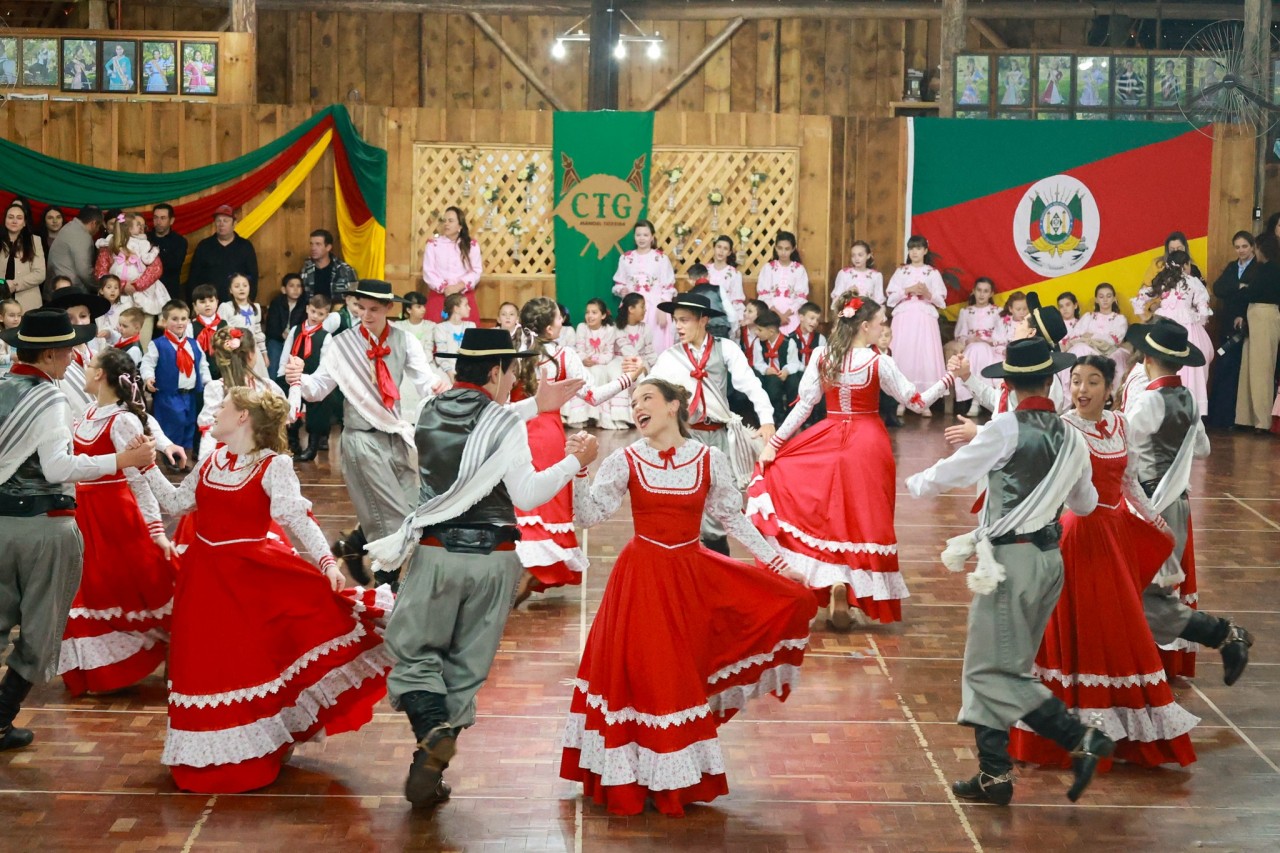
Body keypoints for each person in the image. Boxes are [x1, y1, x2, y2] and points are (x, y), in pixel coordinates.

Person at [362, 327, 594, 809]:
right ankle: (430, 757)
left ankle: (431, 733)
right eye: (512, 371)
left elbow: (483, 422)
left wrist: (538, 404)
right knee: (465, 669)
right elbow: (527, 492)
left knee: (416, 653)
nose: (515, 381)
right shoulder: (504, 422)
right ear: (494, 371)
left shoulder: (427, 413)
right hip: (495, 561)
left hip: (436, 553)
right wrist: (575, 461)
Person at [560, 378, 815, 817]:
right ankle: (632, 778)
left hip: (688, 581)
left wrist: (777, 566)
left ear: (675, 405)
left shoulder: (708, 458)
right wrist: (579, 469)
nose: (636, 406)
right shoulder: (624, 459)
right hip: (639, 581)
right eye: (633, 401)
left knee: (678, 678)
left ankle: (671, 781)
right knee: (643, 675)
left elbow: (734, 521)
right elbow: (587, 516)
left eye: (647, 399)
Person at [143, 387, 392, 793]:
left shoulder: (273, 465)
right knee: (201, 664)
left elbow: (296, 517)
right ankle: (201, 757)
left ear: (243, 417)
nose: (217, 412)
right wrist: (143, 467)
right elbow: (174, 503)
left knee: (246, 664)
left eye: (224, 406)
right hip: (201, 582)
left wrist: (327, 562)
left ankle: (253, 751)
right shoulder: (210, 462)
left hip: (250, 581)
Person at [906, 338, 1111, 806]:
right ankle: (994, 775)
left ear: (1010, 384)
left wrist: (915, 482)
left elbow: (955, 472)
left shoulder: (1005, 428)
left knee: (986, 671)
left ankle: (1080, 738)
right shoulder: (1073, 435)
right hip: (1048, 560)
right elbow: (1086, 503)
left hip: (1009, 565)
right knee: (1007, 666)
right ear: (1049, 379)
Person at [1008, 355, 1198, 770]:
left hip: (1114, 537)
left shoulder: (1121, 426)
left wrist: (1153, 518)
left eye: (1092, 381)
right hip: (1075, 537)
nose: (1082, 389)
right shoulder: (1061, 427)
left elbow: (1128, 482)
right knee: (1081, 627)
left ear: (1108, 390)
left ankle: (1118, 731)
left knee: (1118, 627)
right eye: (1076, 380)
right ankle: (1073, 728)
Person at [0, 309, 155, 751]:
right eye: (68, 349)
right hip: (44, 527)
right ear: (49, 354)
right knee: (42, 632)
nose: (73, 357)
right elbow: (58, 468)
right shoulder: (49, 398)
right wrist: (122, 462)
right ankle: (0, 719)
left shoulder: (3, 386)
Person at [749, 296, 954, 627]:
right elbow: (916, 403)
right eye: (881, 321)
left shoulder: (822, 355)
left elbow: (803, 406)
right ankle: (849, 589)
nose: (884, 326)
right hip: (868, 443)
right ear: (865, 326)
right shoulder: (878, 362)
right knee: (862, 518)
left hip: (829, 436)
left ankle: (833, 582)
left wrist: (774, 445)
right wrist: (948, 380)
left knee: (828, 516)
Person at [285, 280, 451, 588]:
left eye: (375, 309)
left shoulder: (405, 341)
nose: (367, 316)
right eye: (362, 309)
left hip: (395, 434)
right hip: (361, 437)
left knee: (413, 511)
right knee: (391, 516)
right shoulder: (341, 344)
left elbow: (425, 381)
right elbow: (319, 388)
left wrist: (439, 385)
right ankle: (389, 583)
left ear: (390, 309)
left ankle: (356, 546)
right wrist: (300, 380)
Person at [1123, 320, 1255, 687]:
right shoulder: (1187, 399)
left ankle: (1225, 635)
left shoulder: (1148, 400)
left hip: (1150, 505)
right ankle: (1224, 637)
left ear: (1147, 357)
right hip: (1177, 504)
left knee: (1139, 593)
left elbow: (1124, 446)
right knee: (1145, 591)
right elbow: (1203, 448)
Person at [59, 348, 177, 696]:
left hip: (117, 519)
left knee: (135, 591)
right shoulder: (88, 413)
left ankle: (174, 648)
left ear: (101, 375)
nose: (84, 367)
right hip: (87, 517)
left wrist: (155, 530)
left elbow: (139, 480)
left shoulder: (122, 420)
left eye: (90, 365)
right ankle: (97, 672)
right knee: (88, 595)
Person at [509, 298, 640, 602]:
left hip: (516, 433)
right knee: (545, 502)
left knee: (520, 505)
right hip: (549, 437)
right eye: (559, 318)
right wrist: (629, 377)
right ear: (551, 325)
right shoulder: (563, 355)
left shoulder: (514, 351)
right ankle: (532, 571)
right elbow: (593, 395)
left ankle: (518, 570)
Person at [648, 293, 775, 555]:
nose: (679, 326)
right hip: (686, 438)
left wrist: (767, 420)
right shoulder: (671, 356)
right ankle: (690, 565)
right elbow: (648, 390)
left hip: (718, 437)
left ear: (703, 320)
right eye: (676, 320)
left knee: (720, 507)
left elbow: (750, 384)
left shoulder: (725, 348)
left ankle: (717, 561)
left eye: (685, 320)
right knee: (685, 502)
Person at [1131, 250, 1213, 412]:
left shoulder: (1163, 281)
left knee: (1161, 362)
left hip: (1164, 327)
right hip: (1188, 330)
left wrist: (1146, 319)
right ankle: (1191, 408)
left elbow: (1140, 300)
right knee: (1192, 368)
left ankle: (1162, 404)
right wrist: (1198, 321)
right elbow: (1204, 310)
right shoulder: (1193, 282)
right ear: (1186, 265)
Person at [142, 300, 211, 465]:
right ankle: (169, 459)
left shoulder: (194, 344)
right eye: (174, 319)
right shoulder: (158, 344)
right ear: (165, 321)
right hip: (168, 395)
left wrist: (209, 383)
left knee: (189, 424)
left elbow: (202, 364)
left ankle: (184, 459)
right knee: (173, 426)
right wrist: (148, 377)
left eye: (183, 319)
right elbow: (147, 363)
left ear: (188, 320)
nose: (179, 323)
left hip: (190, 395)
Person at [200, 326, 283, 462]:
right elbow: (287, 416)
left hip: (226, 461)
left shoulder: (216, 388)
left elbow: (209, 432)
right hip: (261, 459)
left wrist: (204, 464)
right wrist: (296, 384)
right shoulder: (268, 387)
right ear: (251, 354)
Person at [885, 235, 946, 416]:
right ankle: (902, 400)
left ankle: (923, 401)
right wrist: (908, 290)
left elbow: (941, 300)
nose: (914, 252)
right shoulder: (901, 272)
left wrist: (927, 293)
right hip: (904, 317)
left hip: (925, 317)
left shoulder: (932, 273)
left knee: (923, 355)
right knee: (904, 353)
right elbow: (890, 298)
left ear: (925, 251)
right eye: (911, 249)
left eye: (918, 249)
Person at [1208, 231, 1257, 428]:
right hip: (1227, 323)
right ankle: (1219, 417)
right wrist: (1239, 285)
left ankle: (1233, 418)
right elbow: (1219, 288)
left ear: (1252, 246)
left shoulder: (1258, 267)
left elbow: (1253, 292)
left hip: (1246, 324)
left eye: (1245, 246)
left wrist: (1237, 291)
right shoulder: (1232, 266)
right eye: (1237, 247)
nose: (1241, 251)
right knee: (1224, 368)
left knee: (1238, 371)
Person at [279, 297, 337, 462]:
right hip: (292, 376)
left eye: (320, 314)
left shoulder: (325, 337)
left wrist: (314, 380)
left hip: (313, 378)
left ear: (326, 316)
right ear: (307, 308)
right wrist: (282, 373)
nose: (315, 316)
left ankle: (312, 447)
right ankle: (292, 442)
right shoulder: (295, 330)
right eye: (313, 311)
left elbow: (325, 362)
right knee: (288, 404)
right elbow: (286, 353)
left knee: (318, 406)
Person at [94, 212, 168, 337]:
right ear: (128, 228)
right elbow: (101, 273)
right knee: (116, 336)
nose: (140, 228)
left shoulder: (145, 245)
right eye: (137, 225)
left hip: (143, 299)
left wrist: (136, 285)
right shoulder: (109, 245)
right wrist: (121, 285)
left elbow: (156, 268)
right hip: (117, 299)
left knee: (142, 339)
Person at [1235, 233, 1280, 432]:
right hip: (1256, 314)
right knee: (1249, 367)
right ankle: (1246, 418)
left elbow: (1254, 292)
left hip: (1264, 314)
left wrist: (1244, 289)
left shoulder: (1272, 269)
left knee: (1261, 369)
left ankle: (1262, 421)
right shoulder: (1264, 268)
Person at [612, 220, 676, 352]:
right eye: (638, 235)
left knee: (655, 345)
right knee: (631, 346)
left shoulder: (661, 258)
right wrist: (621, 290)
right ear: (634, 237)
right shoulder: (626, 258)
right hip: (631, 308)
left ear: (652, 237)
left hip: (655, 309)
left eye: (645, 235)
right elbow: (618, 283)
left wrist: (663, 308)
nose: (641, 238)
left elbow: (668, 287)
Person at [571, 297, 626, 430]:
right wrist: (584, 360)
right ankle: (579, 416)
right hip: (584, 363)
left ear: (603, 315)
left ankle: (602, 417)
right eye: (588, 312)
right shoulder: (582, 327)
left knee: (600, 373)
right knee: (581, 376)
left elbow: (608, 354)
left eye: (594, 312)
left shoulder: (609, 329)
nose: (590, 316)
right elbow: (579, 350)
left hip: (602, 364)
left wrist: (595, 361)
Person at [185, 205, 258, 304]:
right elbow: (194, 278)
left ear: (234, 223)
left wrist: (248, 302)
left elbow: (252, 277)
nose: (221, 224)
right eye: (218, 221)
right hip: (208, 305)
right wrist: (195, 304)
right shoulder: (204, 246)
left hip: (237, 305)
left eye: (226, 221)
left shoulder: (245, 246)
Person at [421, 208, 481, 324]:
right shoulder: (433, 244)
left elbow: (476, 271)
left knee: (466, 337)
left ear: (460, 225)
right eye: (445, 221)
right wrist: (445, 288)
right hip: (439, 297)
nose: (446, 224)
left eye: (450, 221)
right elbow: (428, 271)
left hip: (463, 298)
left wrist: (459, 286)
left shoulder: (471, 245)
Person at [1066, 283, 1130, 391]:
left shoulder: (1119, 319)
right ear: (1096, 300)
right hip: (1086, 349)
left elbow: (1113, 340)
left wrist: (1092, 336)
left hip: (1107, 352)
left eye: (1108, 296)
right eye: (1101, 297)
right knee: (1077, 349)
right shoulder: (1088, 317)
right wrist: (1091, 338)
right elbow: (1074, 336)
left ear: (1114, 299)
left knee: (1081, 348)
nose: (1105, 300)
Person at [953, 277, 1002, 417]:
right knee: (976, 350)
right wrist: (969, 339)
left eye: (986, 291)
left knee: (982, 349)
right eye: (979, 290)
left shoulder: (997, 311)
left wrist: (988, 341)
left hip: (991, 349)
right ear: (973, 291)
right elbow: (960, 334)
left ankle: (980, 400)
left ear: (991, 294)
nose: (982, 294)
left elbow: (1001, 334)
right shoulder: (966, 312)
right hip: (972, 347)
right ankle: (975, 399)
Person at [750, 308, 801, 427]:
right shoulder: (758, 343)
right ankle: (777, 416)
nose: (756, 332)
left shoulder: (789, 342)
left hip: (785, 374)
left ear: (771, 331)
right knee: (773, 386)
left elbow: (794, 363)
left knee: (794, 383)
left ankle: (792, 416)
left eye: (760, 330)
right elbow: (758, 363)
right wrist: (766, 369)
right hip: (770, 375)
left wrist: (786, 371)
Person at [756, 230, 810, 335]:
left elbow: (801, 297)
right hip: (771, 314)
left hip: (792, 316)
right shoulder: (768, 268)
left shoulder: (799, 269)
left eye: (787, 249)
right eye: (780, 248)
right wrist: (779, 315)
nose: (783, 252)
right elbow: (763, 295)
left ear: (793, 249)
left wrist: (786, 315)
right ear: (775, 248)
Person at [218, 272, 270, 378]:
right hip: (236, 352)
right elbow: (221, 332)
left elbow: (258, 332)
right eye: (237, 286)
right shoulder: (226, 307)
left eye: (245, 285)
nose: (241, 289)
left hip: (253, 351)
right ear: (230, 290)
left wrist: (264, 354)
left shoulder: (255, 308)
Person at [1, 200, 46, 315]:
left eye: (19, 218)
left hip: (27, 301)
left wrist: (14, 284)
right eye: (10, 217)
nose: (14, 221)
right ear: (5, 220)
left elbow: (40, 273)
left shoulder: (34, 241)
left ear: (25, 222)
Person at [46, 206, 103, 296]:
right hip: (68, 292)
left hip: (56, 287)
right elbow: (84, 271)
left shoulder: (69, 227)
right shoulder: (82, 236)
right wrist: (101, 286)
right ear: (93, 223)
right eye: (99, 226)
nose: (98, 230)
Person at [264, 273, 306, 378]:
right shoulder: (276, 303)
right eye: (291, 286)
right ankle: (272, 388)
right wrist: (282, 335)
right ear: (284, 289)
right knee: (273, 357)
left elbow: (304, 326)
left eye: (299, 286)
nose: (296, 289)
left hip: (296, 340)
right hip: (277, 339)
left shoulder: (305, 304)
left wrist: (293, 336)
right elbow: (271, 327)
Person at [300, 228, 358, 302]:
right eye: (311, 244)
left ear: (328, 247)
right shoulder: (305, 269)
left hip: (337, 312)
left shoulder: (346, 270)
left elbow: (355, 299)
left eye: (318, 244)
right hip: (312, 311)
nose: (313, 248)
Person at [706, 235, 746, 336]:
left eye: (725, 248)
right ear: (714, 248)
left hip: (725, 319)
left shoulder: (734, 274)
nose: (721, 251)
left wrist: (737, 323)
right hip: (705, 316)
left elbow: (737, 299)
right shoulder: (706, 270)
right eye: (719, 247)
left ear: (729, 252)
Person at [830, 240, 884, 309]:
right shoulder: (844, 273)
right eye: (853, 255)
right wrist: (848, 292)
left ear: (868, 256)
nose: (856, 258)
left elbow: (879, 300)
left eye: (860, 255)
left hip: (868, 314)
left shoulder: (876, 276)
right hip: (848, 314)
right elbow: (837, 299)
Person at [146, 203, 188, 292]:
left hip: (168, 290)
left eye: (163, 218)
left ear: (171, 220)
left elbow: (173, 265)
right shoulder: (145, 238)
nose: (158, 221)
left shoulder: (179, 241)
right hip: (146, 290)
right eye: (156, 217)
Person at [685, 263, 731, 340]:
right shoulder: (718, 289)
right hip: (721, 330)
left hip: (700, 332)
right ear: (708, 276)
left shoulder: (689, 294)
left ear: (691, 281)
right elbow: (731, 313)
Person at [432, 292, 475, 373]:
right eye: (466, 305)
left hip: (467, 371)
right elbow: (442, 355)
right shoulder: (441, 328)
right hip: (447, 371)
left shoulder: (471, 326)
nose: (469, 308)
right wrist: (450, 373)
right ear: (456, 309)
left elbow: (473, 352)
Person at [0, 298, 22, 378]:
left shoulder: (22, 335)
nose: (16, 319)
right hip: (3, 376)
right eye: (11, 315)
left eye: (19, 315)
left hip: (20, 375)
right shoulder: (1, 338)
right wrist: (10, 357)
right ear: (1, 318)